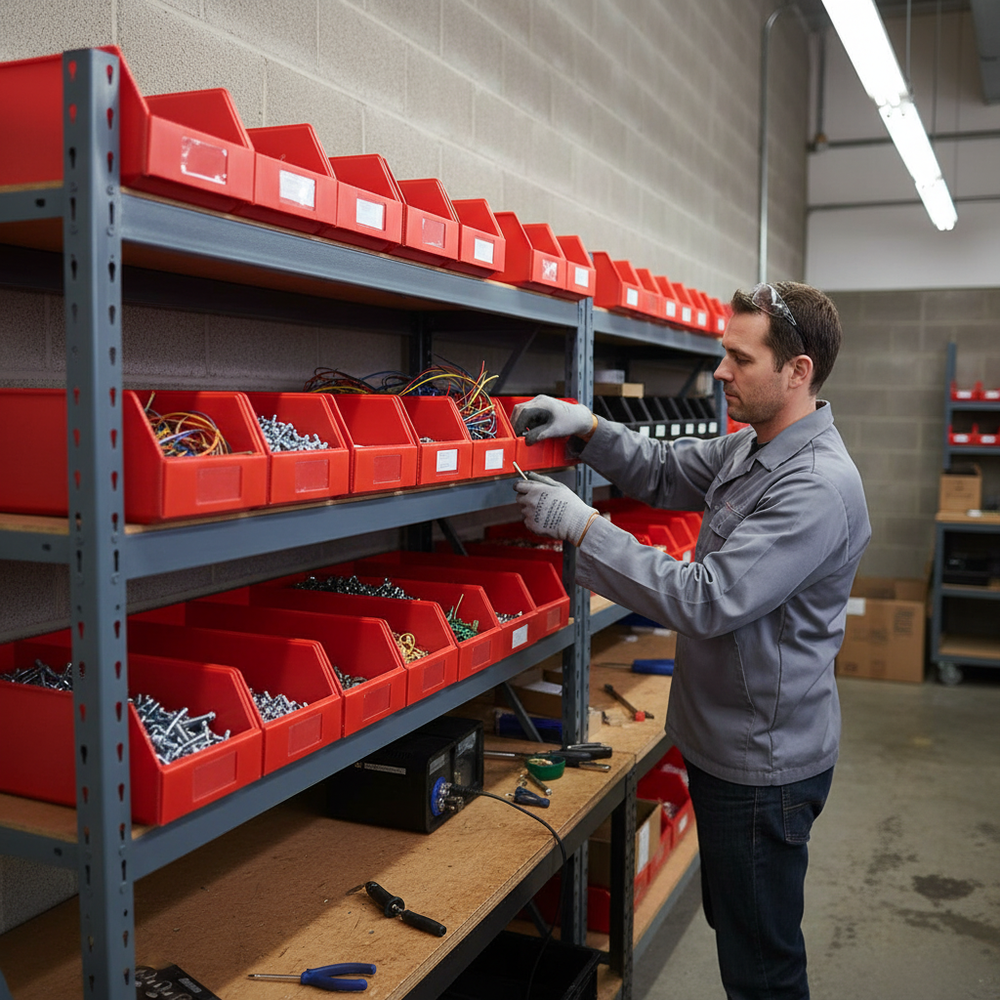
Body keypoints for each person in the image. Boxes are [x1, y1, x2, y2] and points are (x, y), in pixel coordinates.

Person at [510, 280, 870, 1000]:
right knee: (740, 927)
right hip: (722, 740)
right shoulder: (753, 448)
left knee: (761, 967)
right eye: (720, 354)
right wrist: (586, 427)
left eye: (739, 358)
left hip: (762, 766)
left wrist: (584, 527)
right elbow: (667, 469)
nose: (720, 372)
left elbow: (705, 600)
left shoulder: (815, 487)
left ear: (797, 372)